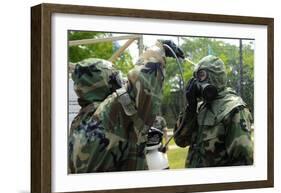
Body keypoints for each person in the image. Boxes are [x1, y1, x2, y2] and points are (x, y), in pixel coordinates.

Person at [69, 40, 184, 173]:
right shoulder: (107, 115)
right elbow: (142, 80)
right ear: (108, 82)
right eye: (116, 78)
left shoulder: (78, 123)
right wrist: (159, 48)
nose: (121, 82)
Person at [173, 55, 253, 168]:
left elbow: (243, 161)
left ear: (215, 76)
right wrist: (190, 108)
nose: (197, 82)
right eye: (195, 77)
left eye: (201, 75)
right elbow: (180, 141)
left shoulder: (233, 109)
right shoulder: (199, 107)